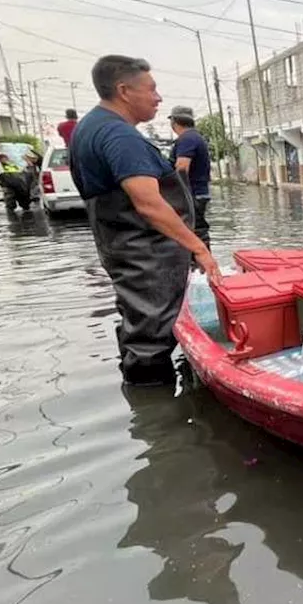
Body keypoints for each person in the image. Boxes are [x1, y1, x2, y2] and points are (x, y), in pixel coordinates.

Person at [70, 54, 219, 387]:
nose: (158, 97)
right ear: (124, 91)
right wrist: (200, 248)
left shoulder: (90, 127)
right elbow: (149, 204)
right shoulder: (119, 136)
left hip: (125, 248)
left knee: (138, 321)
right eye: (151, 89)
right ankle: (158, 413)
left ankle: (143, 400)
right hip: (145, 252)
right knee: (152, 332)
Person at [167, 105, 212, 250]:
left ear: (174, 122)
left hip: (191, 194)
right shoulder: (195, 137)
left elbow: (181, 168)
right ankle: (200, 267)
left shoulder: (187, 139)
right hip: (198, 193)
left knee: (194, 231)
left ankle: (203, 268)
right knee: (194, 230)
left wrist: (175, 194)